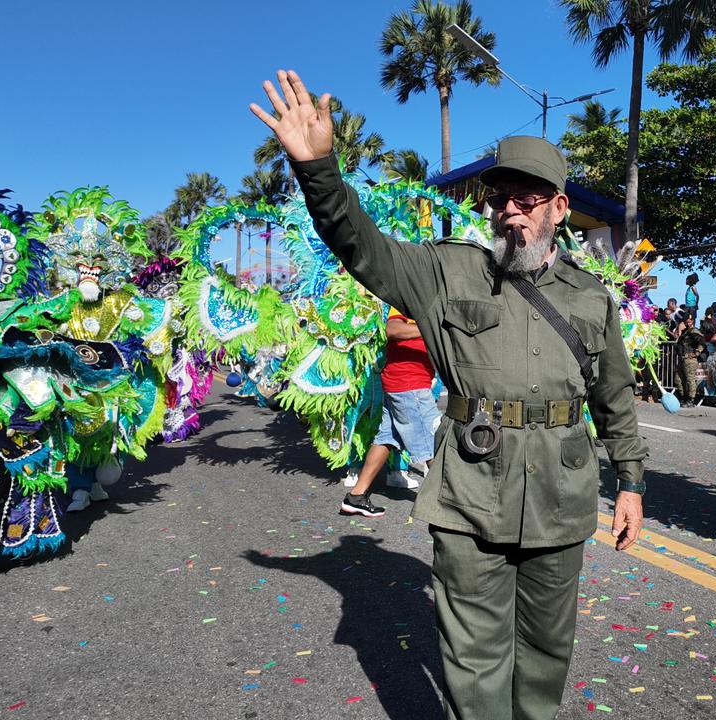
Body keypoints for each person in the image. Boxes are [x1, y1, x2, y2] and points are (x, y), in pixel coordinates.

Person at [251, 70, 647, 720]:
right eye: (501, 199)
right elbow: (360, 245)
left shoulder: (590, 296)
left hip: (561, 492)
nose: (511, 209)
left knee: (547, 649)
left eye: (527, 198)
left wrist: (630, 481)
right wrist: (318, 169)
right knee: (476, 655)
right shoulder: (445, 271)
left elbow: (615, 398)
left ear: (557, 207)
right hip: (472, 492)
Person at [339, 308, 440, 518]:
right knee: (433, 444)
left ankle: (356, 497)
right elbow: (392, 330)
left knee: (387, 438)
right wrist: (429, 327)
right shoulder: (405, 302)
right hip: (409, 385)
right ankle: (451, 506)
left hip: (402, 383)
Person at [674, 313, 703, 406]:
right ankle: (683, 397)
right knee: (678, 379)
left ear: (692, 321)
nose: (687, 323)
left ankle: (691, 399)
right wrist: (679, 330)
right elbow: (678, 343)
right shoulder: (685, 332)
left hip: (689, 359)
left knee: (690, 379)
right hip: (682, 358)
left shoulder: (694, 331)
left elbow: (702, 341)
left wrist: (696, 353)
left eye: (689, 322)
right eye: (686, 322)